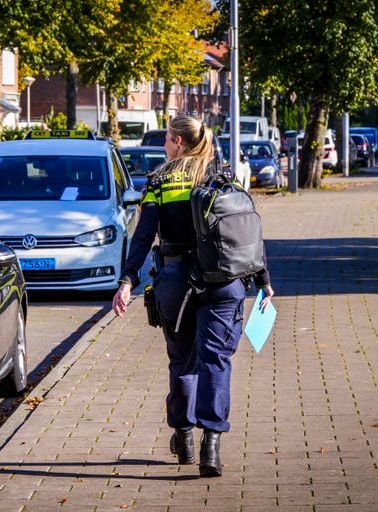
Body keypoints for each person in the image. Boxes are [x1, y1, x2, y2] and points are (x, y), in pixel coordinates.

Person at [112, 115, 274, 477]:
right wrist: (263, 280)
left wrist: (126, 281)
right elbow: (246, 233)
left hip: (176, 282)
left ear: (178, 142)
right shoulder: (223, 176)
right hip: (224, 282)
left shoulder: (160, 181)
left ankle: (184, 435)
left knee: (182, 360)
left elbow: (142, 238)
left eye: (168, 139)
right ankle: (211, 446)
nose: (165, 145)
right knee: (216, 361)